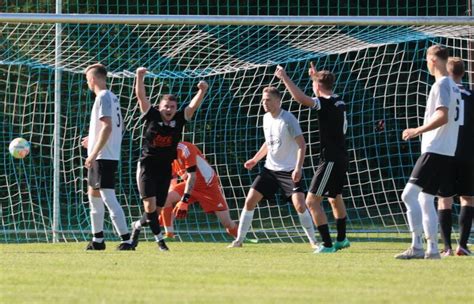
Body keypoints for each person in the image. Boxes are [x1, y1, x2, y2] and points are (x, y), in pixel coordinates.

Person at [228, 86, 317, 248]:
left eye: (268, 100)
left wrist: (298, 168)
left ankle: (314, 241)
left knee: (300, 205)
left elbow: (302, 145)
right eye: (263, 100)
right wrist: (255, 160)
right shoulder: (265, 118)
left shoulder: (288, 119)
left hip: (289, 171)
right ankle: (239, 241)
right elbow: (269, 143)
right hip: (270, 170)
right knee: (249, 201)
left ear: (278, 100)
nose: (264, 103)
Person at [395, 45, 462, 259]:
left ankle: (416, 246)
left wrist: (417, 130)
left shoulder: (441, 84)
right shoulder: (454, 86)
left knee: (408, 195)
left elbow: (442, 116)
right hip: (446, 150)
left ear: (433, 60)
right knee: (425, 199)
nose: (427, 65)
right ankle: (432, 249)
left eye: (426, 60)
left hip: (435, 149)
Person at [275, 64, 350, 254]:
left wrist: (284, 77)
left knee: (311, 201)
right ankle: (341, 239)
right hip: (341, 157)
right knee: (335, 197)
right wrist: (314, 78)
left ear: (317, 87)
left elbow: (300, 98)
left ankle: (327, 245)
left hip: (330, 159)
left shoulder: (323, 103)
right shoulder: (338, 101)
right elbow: (320, 93)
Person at [131, 67, 208, 251]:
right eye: (166, 106)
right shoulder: (152, 115)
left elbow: (192, 107)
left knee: (156, 211)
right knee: (150, 206)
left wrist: (202, 90)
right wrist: (139, 76)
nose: (169, 109)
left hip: (165, 169)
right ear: (160, 107)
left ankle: (136, 227)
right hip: (147, 167)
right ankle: (161, 243)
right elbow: (141, 97)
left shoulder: (180, 119)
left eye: (172, 107)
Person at [130, 141, 238, 241]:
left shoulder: (186, 148)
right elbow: (172, 179)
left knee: (227, 222)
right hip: (189, 185)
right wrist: (167, 206)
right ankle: (169, 235)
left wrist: (184, 201)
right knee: (165, 199)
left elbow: (193, 176)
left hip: (208, 187)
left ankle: (240, 238)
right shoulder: (165, 157)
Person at [82, 63, 134, 250]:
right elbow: (117, 127)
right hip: (105, 153)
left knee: (107, 196)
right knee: (93, 195)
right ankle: (98, 240)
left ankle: (127, 239)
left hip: (103, 156)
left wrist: (94, 153)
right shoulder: (113, 97)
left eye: (88, 79)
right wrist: (93, 139)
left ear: (93, 79)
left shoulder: (103, 96)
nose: (87, 83)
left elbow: (108, 127)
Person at [437, 57, 474, 256]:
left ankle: (447, 248)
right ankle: (463, 245)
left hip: (446, 151)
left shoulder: (444, 92)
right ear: (463, 72)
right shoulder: (471, 95)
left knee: (445, 199)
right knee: (468, 198)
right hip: (468, 153)